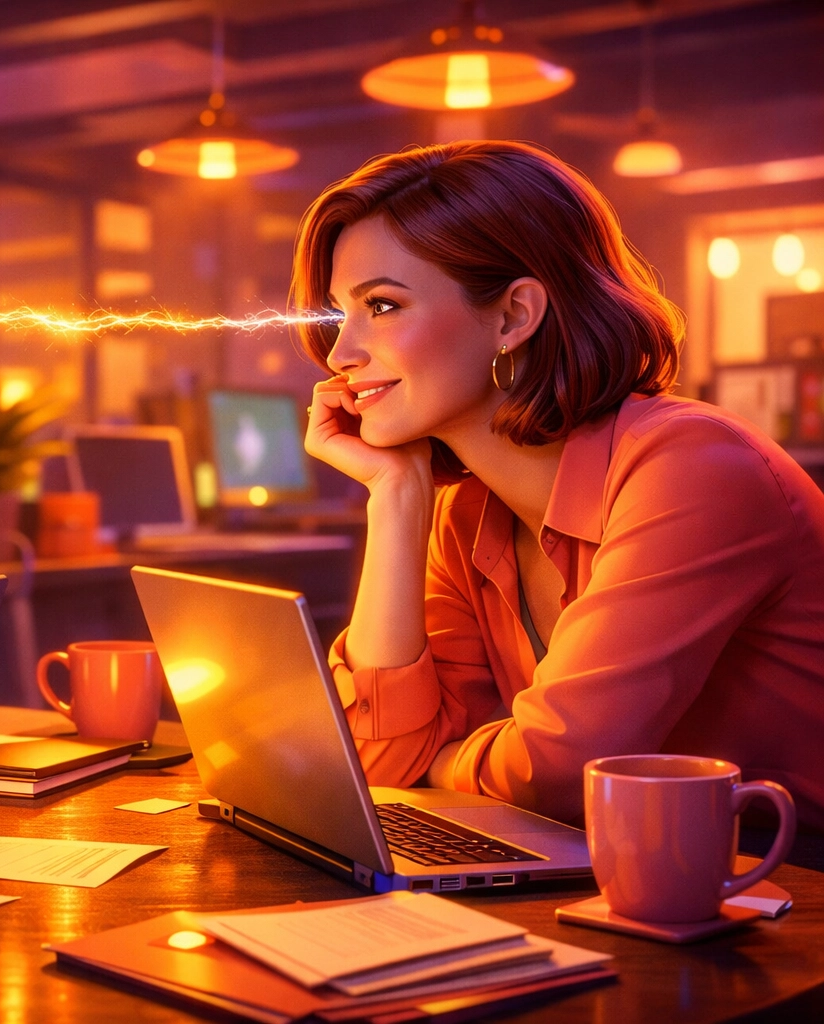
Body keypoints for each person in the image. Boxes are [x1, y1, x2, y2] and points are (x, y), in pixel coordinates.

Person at [296, 139, 824, 829]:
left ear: (514, 316)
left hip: (785, 886)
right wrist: (394, 498)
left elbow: (556, 774)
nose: (341, 353)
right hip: (629, 874)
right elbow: (380, 767)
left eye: (384, 306)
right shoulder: (463, 515)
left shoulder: (693, 467)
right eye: (341, 313)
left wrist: (446, 759)